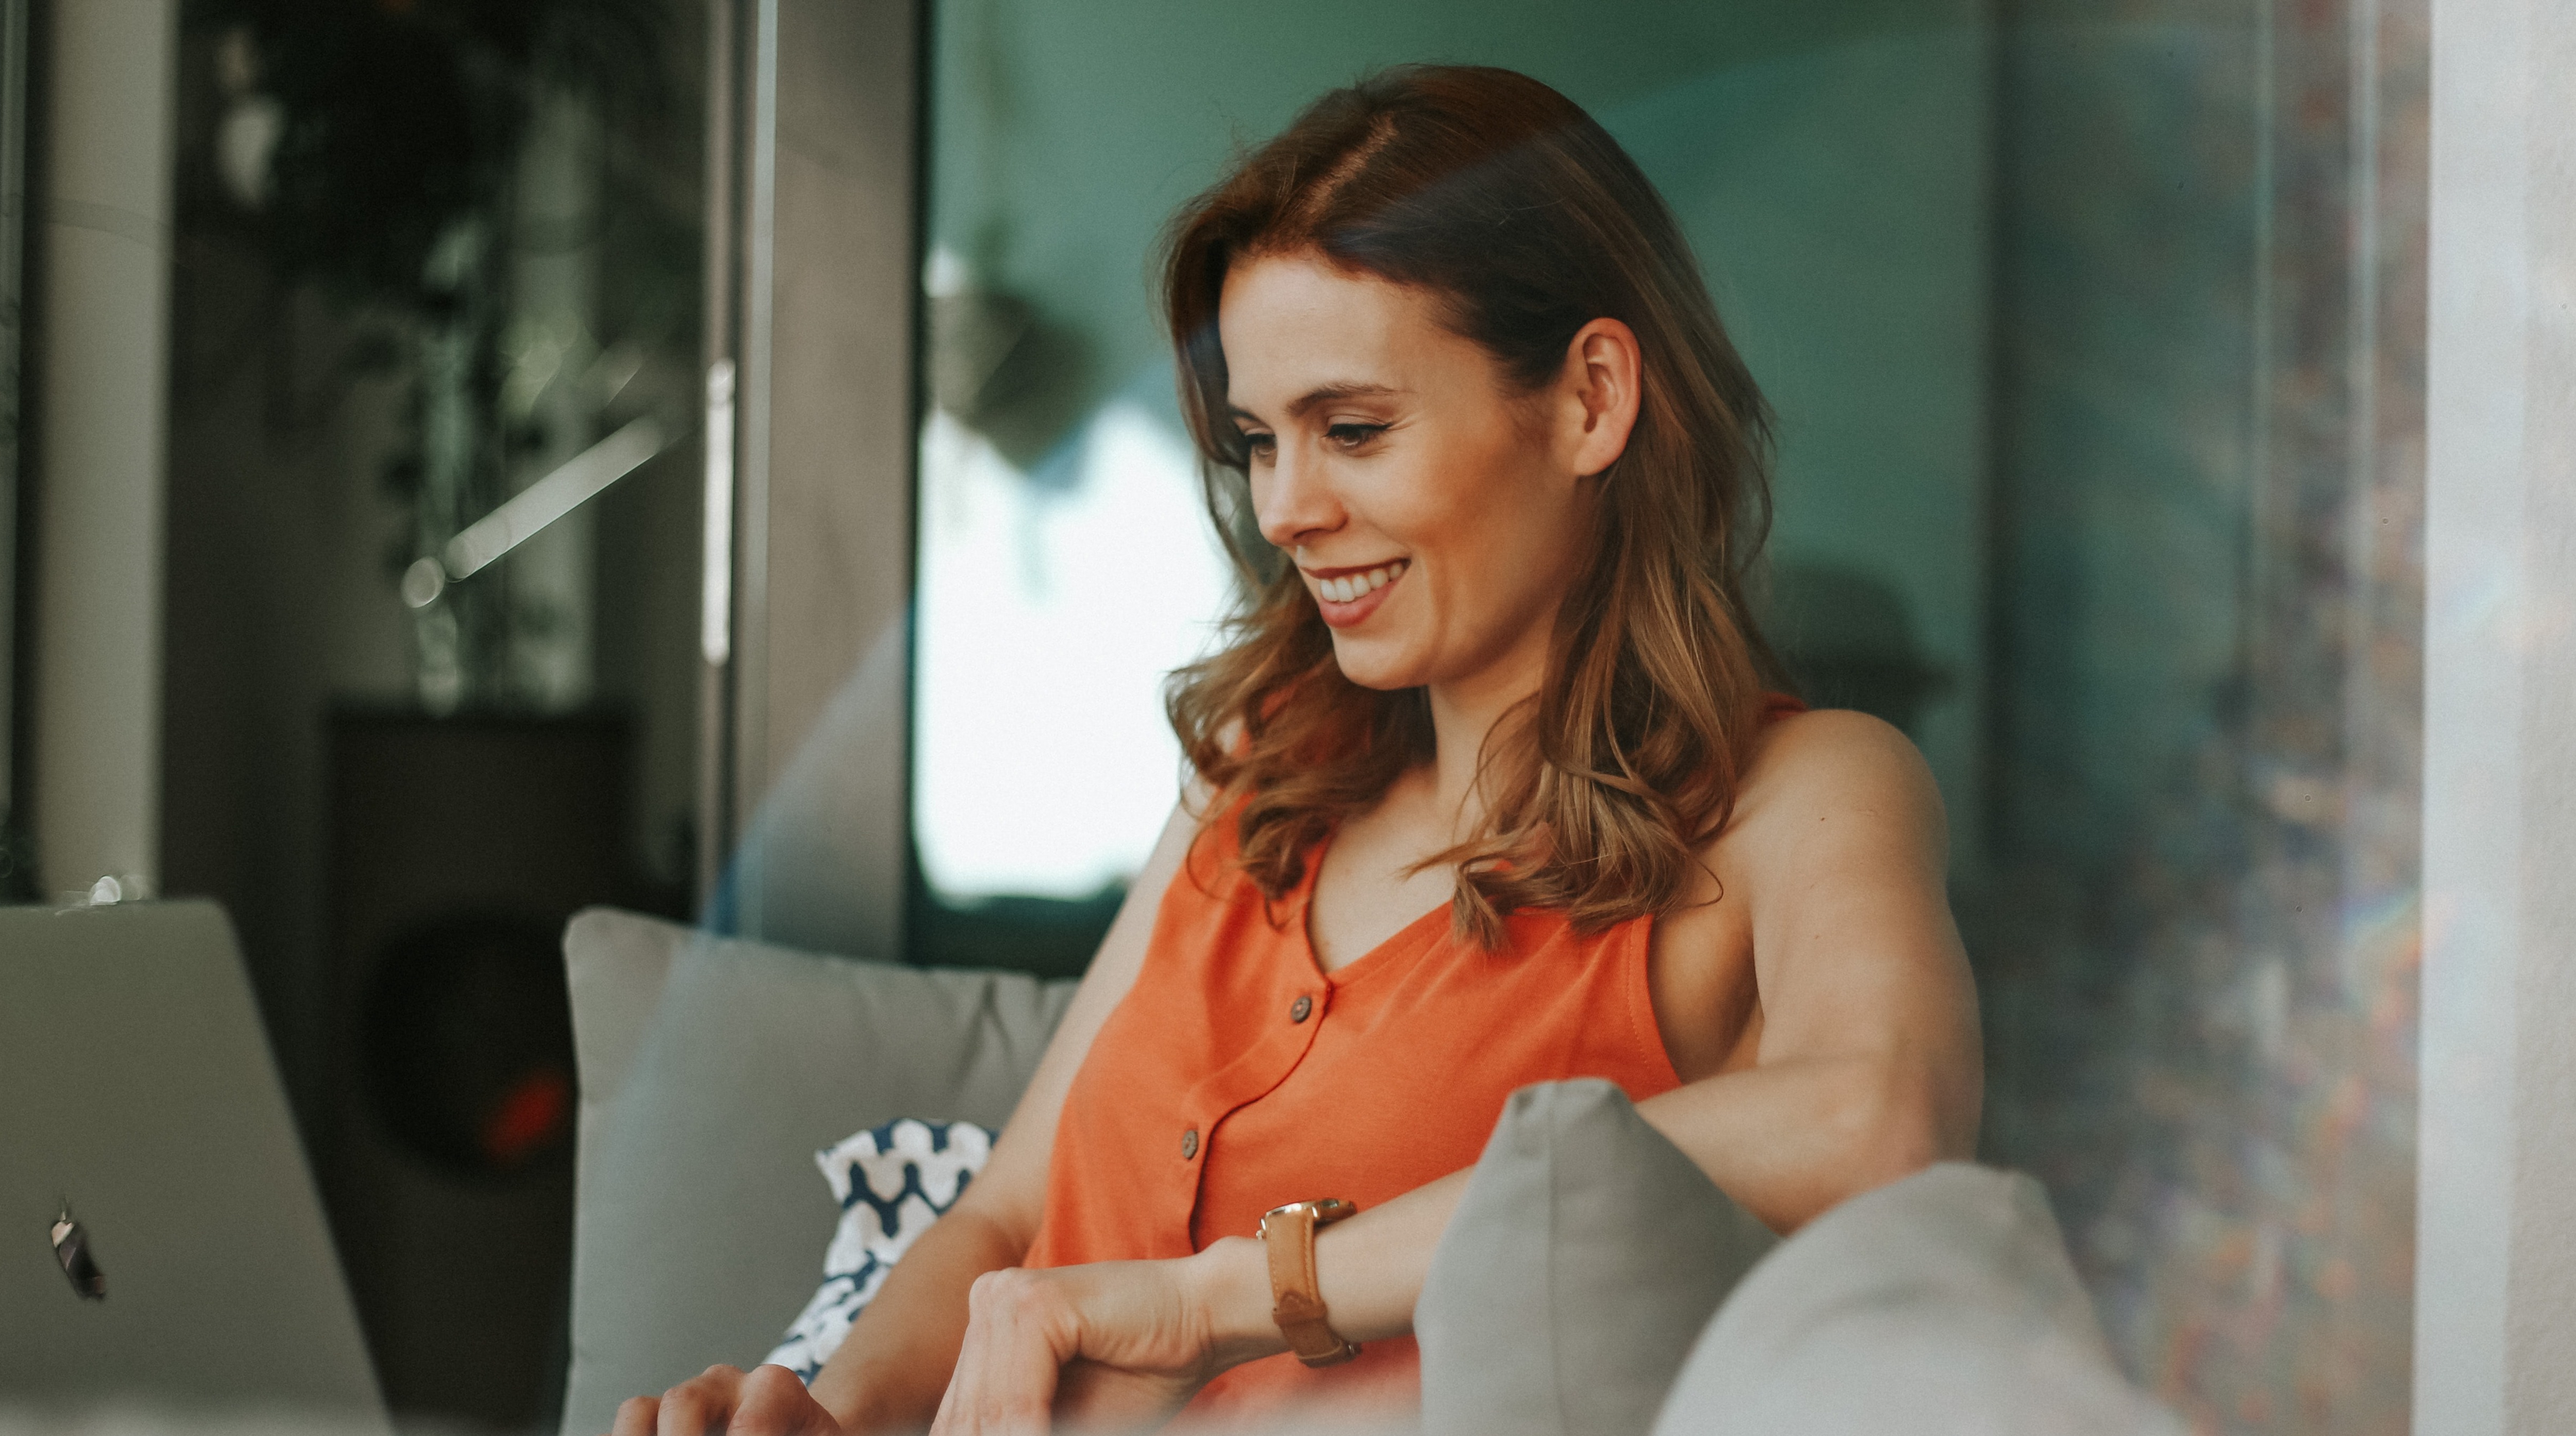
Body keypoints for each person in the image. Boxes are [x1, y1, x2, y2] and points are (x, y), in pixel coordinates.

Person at [620, 63, 1981, 1436]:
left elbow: (1881, 1122)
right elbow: (1010, 1212)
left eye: (1355, 430)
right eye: (1258, 442)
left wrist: (1228, 1295)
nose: (1285, 506)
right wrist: (828, 1412)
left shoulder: (1799, 799)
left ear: (1590, 400)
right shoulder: (1257, 766)